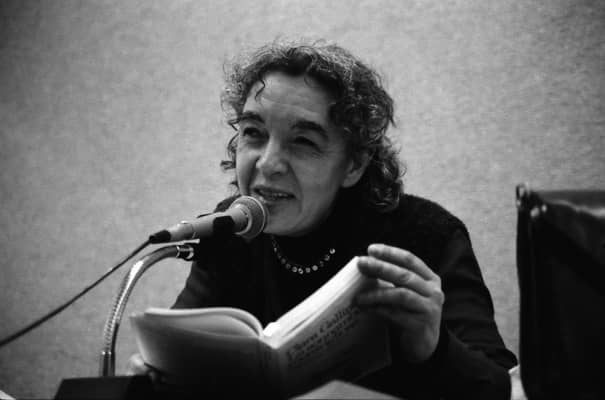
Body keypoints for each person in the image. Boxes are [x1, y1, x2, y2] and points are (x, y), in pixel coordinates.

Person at [130, 40, 517, 399]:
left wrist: (435, 349)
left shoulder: (426, 236)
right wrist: (158, 378)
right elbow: (174, 352)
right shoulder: (230, 231)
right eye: (253, 132)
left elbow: (502, 387)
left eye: (303, 141)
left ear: (354, 164)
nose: (268, 163)